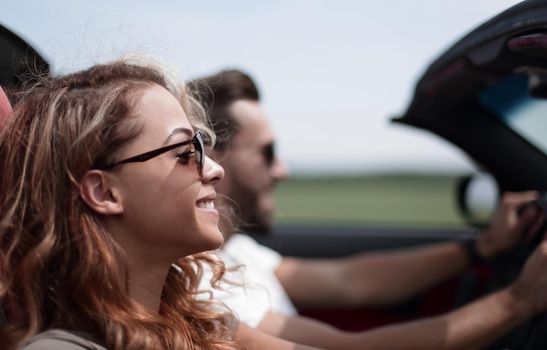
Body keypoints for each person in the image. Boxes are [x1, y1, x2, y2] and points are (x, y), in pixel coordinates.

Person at [190, 69, 547, 349]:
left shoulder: (236, 252)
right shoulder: (203, 284)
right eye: (267, 153)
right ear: (214, 157)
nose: (283, 170)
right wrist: (519, 301)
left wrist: (481, 248)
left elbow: (350, 280)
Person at [0, 60, 319, 350]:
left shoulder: (200, 324)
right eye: (184, 152)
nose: (215, 170)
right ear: (105, 193)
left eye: (202, 147)